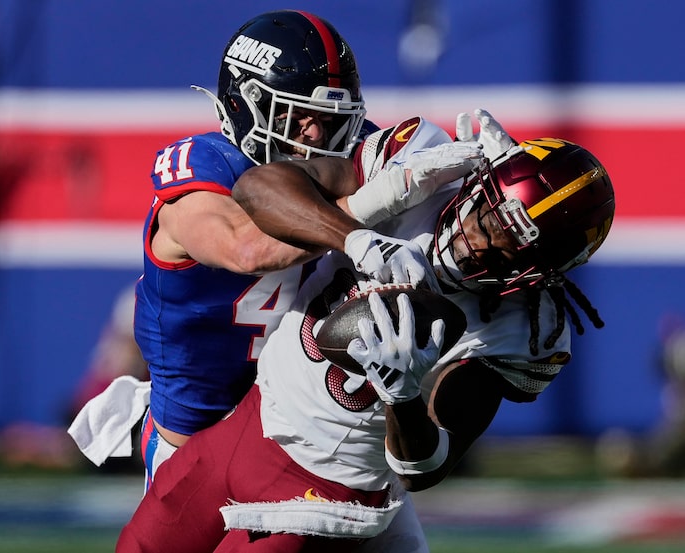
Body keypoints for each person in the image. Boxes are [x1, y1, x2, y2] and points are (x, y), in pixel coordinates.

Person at [116, 112, 616, 552]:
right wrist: (363, 225)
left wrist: (400, 396)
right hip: (247, 423)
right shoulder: (420, 164)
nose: (478, 243)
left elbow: (426, 469)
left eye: (512, 249)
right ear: (480, 182)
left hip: (321, 497)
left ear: (544, 273)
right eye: (488, 216)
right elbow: (261, 188)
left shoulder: (522, 328)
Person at [67, 9, 482, 486]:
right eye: (301, 115)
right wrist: (379, 198)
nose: (317, 133)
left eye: (332, 117)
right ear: (248, 104)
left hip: (317, 432)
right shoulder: (203, 170)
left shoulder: (352, 154)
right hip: (199, 439)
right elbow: (248, 247)